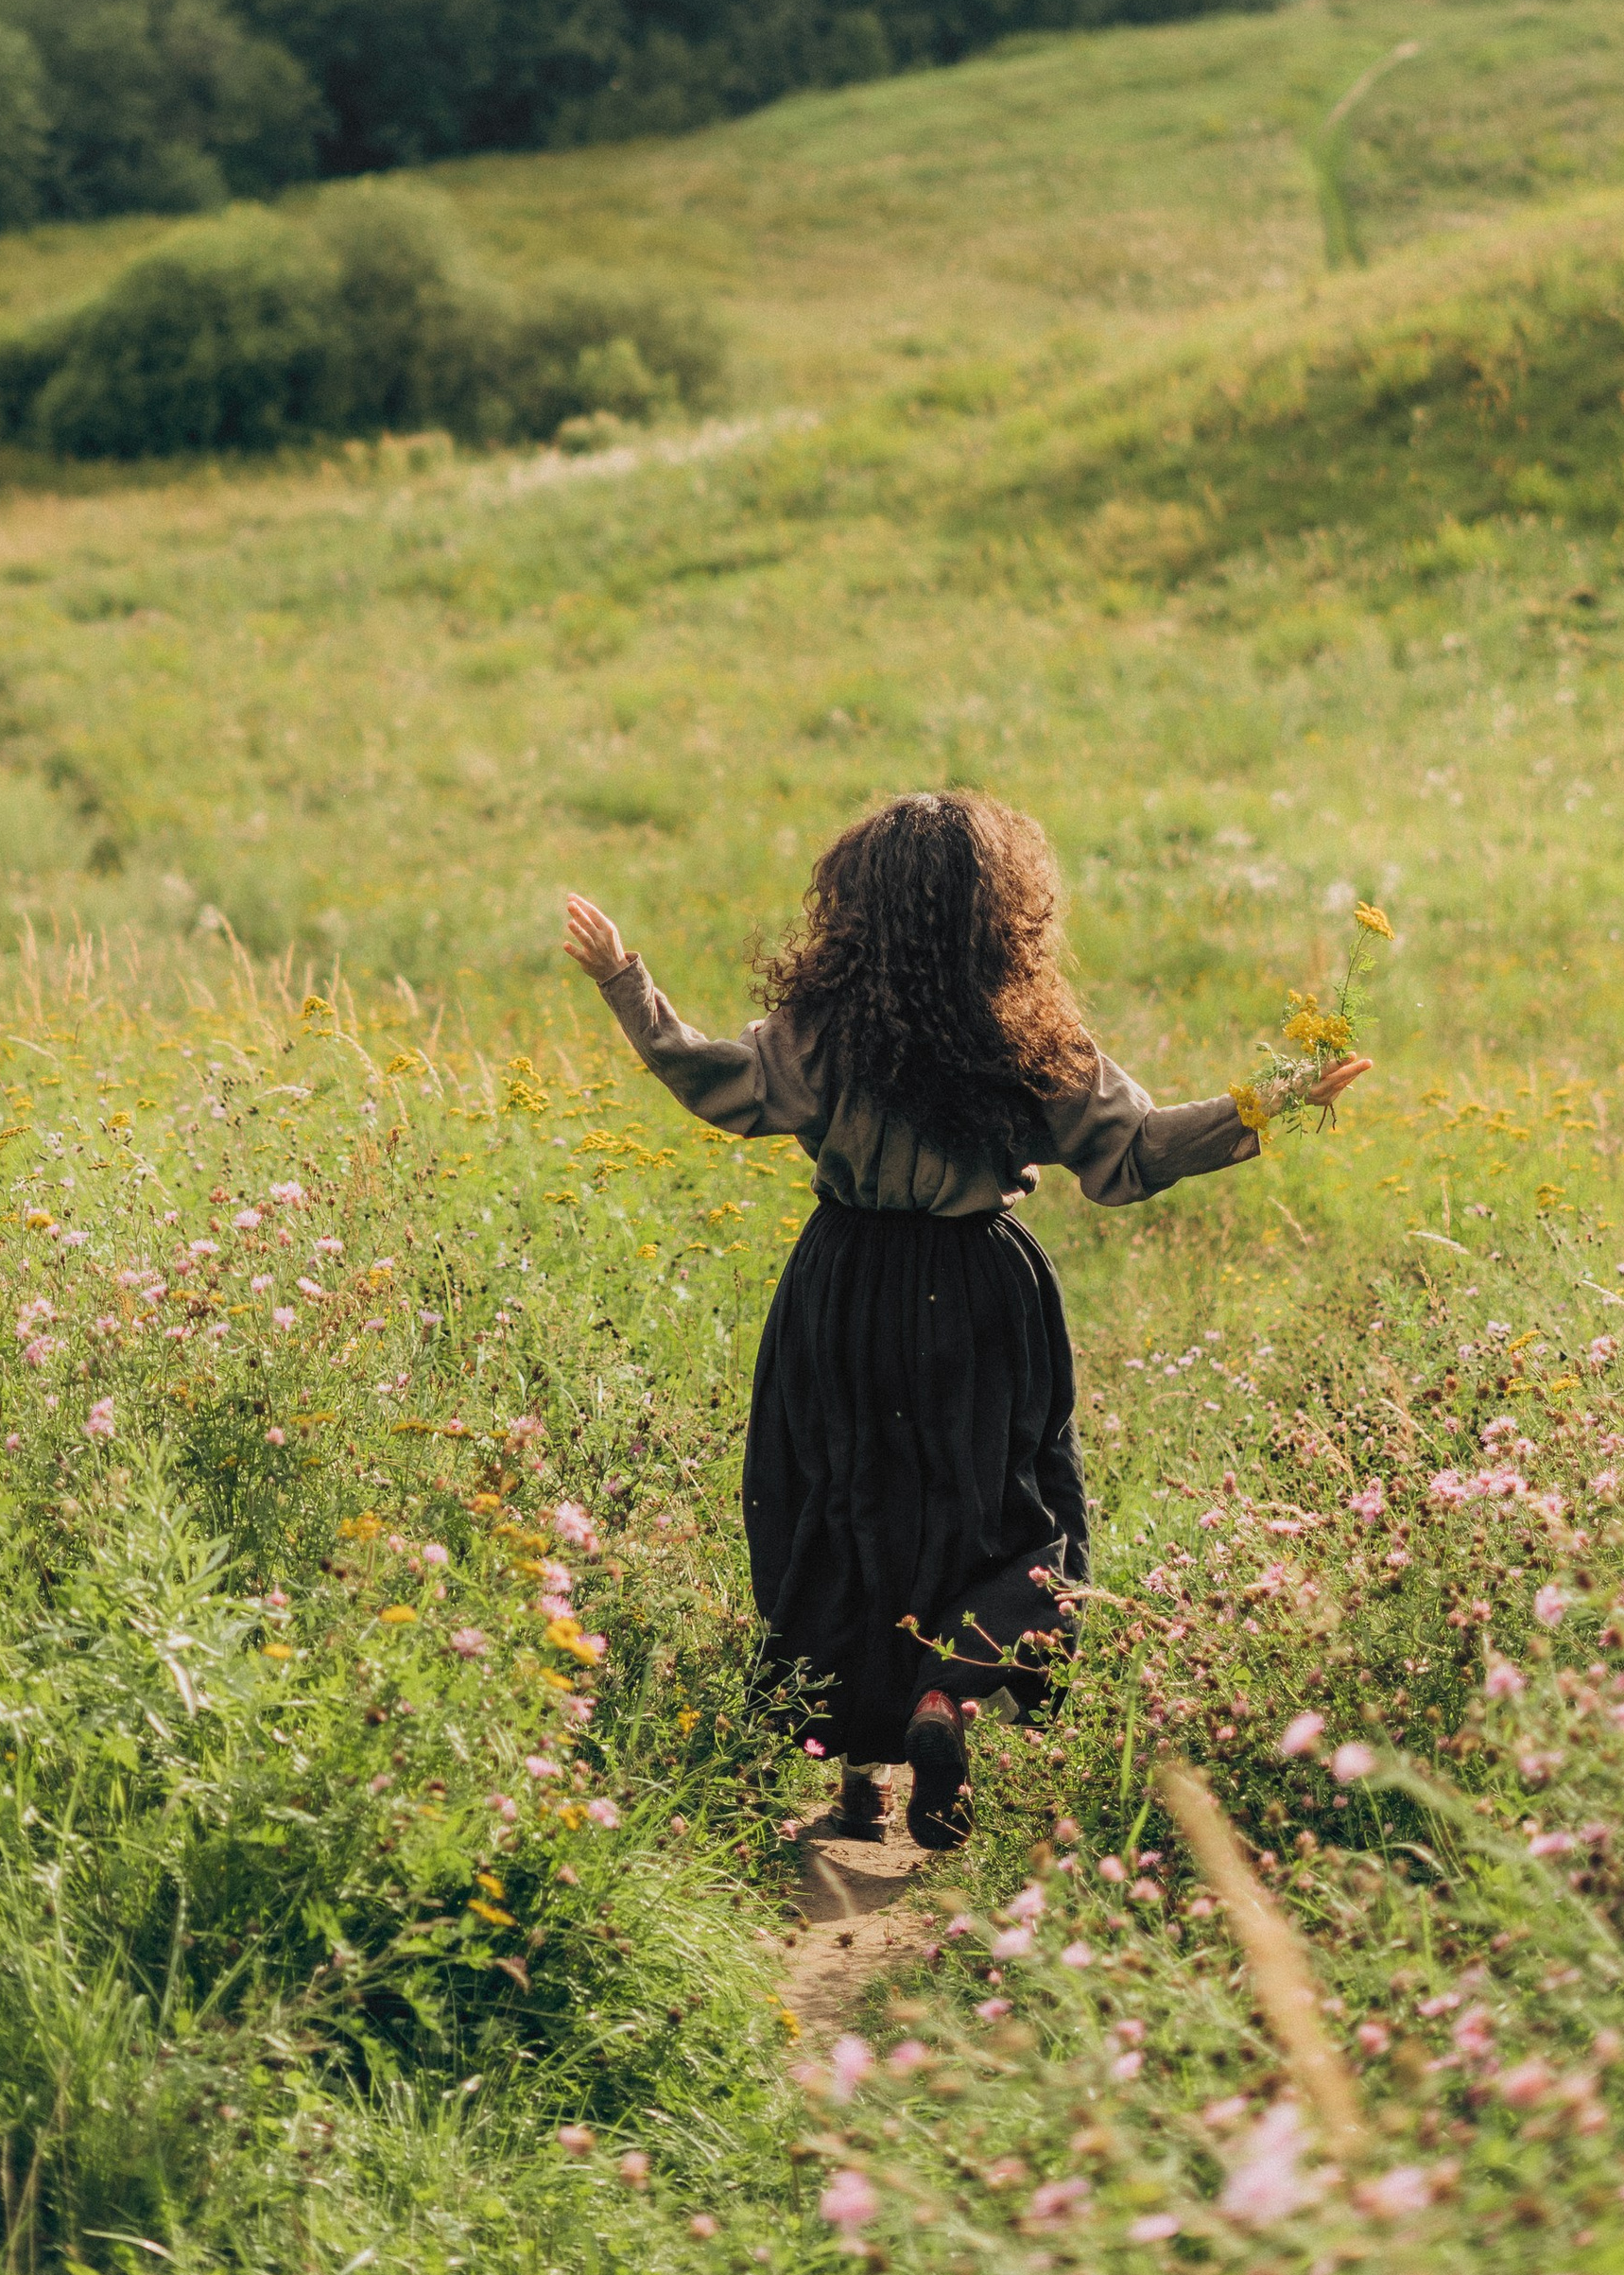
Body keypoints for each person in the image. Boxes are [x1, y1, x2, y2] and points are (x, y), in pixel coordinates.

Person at [564, 791, 1368, 1848]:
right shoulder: (1032, 1037)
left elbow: (716, 1083)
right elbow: (1136, 1152)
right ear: (1005, 914)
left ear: (856, 908)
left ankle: (853, 1773)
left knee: (839, 1506)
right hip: (983, 1295)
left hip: (842, 1289)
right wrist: (1271, 1100)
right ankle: (947, 1696)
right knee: (1008, 1513)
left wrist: (627, 982)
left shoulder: (825, 1030)